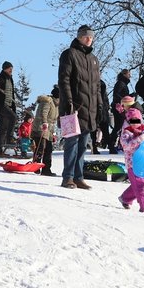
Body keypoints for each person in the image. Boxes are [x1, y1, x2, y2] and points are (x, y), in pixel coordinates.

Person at [58, 24, 104, 190]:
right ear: (79, 37)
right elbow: (64, 80)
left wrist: (100, 105)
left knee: (83, 145)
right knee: (72, 143)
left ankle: (78, 177)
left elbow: (97, 86)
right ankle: (68, 177)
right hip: (73, 107)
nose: (89, 39)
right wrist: (69, 101)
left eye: (91, 37)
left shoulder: (94, 60)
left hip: (89, 109)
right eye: (86, 36)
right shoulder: (69, 54)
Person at [116, 106, 144, 213]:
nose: (135, 123)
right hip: (132, 164)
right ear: (128, 121)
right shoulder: (126, 132)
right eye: (132, 121)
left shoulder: (143, 131)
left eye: (137, 120)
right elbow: (126, 146)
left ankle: (125, 198)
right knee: (141, 185)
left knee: (143, 184)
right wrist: (139, 139)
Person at [32, 86, 60, 176]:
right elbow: (43, 113)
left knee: (49, 149)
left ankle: (46, 169)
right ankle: (35, 167)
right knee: (40, 148)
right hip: (41, 127)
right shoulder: (47, 101)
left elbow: (54, 120)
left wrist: (53, 133)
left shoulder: (57, 104)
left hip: (50, 129)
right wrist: (44, 123)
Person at [0, 61, 17, 158]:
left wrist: (14, 107)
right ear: (4, 69)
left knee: (3, 129)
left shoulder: (10, 79)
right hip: (2, 105)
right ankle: (9, 138)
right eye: (9, 68)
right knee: (13, 118)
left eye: (12, 68)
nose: (11, 70)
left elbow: (12, 94)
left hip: (9, 105)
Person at [110, 68, 132, 153]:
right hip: (119, 107)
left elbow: (121, 95)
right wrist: (125, 100)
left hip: (121, 107)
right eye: (128, 74)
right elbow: (117, 95)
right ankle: (112, 144)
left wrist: (129, 96)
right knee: (118, 126)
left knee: (121, 126)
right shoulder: (120, 83)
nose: (130, 76)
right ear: (124, 74)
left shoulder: (123, 83)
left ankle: (118, 144)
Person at [92, 79, 111, 154]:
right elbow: (106, 100)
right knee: (105, 130)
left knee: (94, 130)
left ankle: (94, 147)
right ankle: (110, 147)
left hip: (96, 110)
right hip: (102, 110)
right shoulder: (101, 84)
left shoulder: (92, 84)